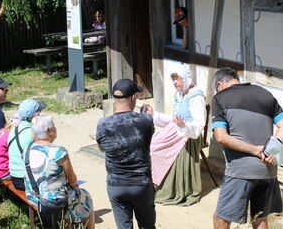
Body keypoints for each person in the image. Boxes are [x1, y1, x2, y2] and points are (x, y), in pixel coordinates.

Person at [211, 68, 283, 229]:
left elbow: (221, 137)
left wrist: (255, 150)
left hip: (240, 171)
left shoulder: (220, 98)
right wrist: (271, 152)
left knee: (220, 219)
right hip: (268, 170)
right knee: (260, 219)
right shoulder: (264, 94)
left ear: (220, 84)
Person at [96, 79, 156, 229]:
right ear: (133, 97)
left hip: (116, 185)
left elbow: (102, 148)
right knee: (147, 225)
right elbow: (148, 138)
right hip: (141, 184)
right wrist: (149, 115)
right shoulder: (145, 121)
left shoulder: (102, 124)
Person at [144, 65, 205, 206]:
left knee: (158, 151)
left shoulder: (196, 97)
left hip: (189, 135)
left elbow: (199, 124)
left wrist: (184, 127)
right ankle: (151, 184)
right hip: (176, 130)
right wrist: (155, 115)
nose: (175, 83)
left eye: (177, 79)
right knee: (151, 144)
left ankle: (168, 189)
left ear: (186, 79)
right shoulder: (180, 94)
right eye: (173, 80)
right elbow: (173, 118)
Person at [24, 115, 95, 229]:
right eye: (55, 127)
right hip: (53, 201)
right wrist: (73, 184)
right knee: (84, 196)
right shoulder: (58, 152)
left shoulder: (27, 149)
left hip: (34, 197)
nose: (56, 129)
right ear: (49, 131)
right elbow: (72, 180)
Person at [8, 99, 45, 190]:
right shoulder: (32, 133)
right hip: (26, 180)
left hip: (14, 177)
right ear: (35, 115)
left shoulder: (14, 129)